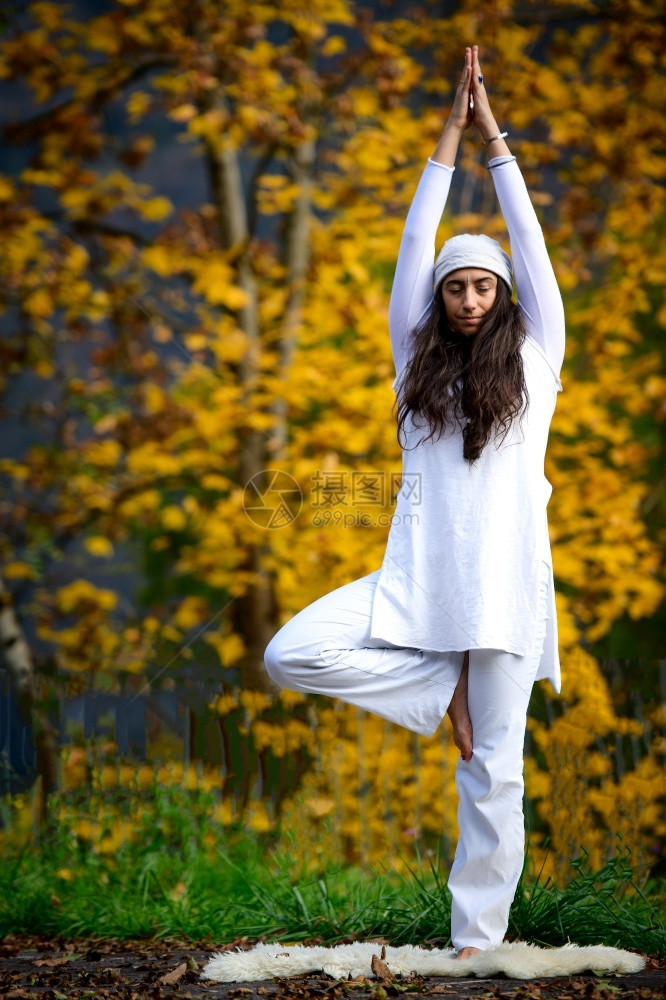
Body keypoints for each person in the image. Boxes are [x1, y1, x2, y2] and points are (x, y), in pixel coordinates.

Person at [264, 45, 565, 960]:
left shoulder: (539, 360)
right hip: (417, 586)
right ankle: (439, 691)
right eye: (454, 286)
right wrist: (446, 133)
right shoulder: (416, 366)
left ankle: (478, 942)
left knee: (494, 775)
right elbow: (410, 245)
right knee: (291, 652)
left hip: (507, 594)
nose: (469, 297)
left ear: (504, 294)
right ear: (437, 300)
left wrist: (496, 142)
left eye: (483, 284)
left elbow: (536, 250)